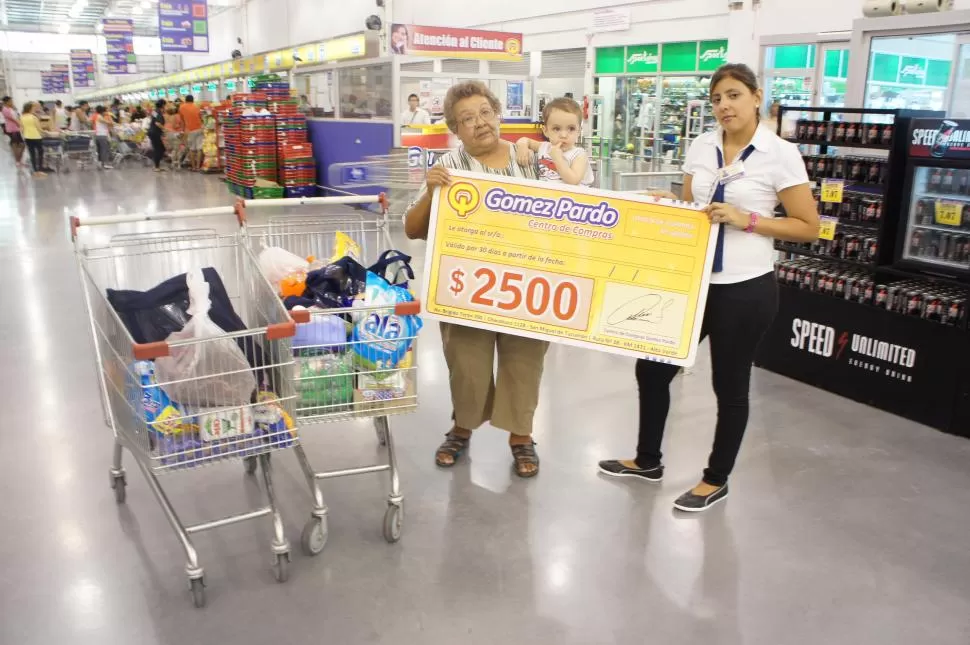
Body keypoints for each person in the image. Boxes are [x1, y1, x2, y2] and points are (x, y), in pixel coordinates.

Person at [598, 63, 820, 512]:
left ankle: (715, 479)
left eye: (734, 95)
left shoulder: (779, 154)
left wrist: (747, 219)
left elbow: (808, 227)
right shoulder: (702, 145)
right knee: (653, 369)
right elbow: (691, 207)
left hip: (745, 288)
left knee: (729, 385)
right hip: (693, 281)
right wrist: (670, 205)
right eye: (717, 98)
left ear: (756, 97)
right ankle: (647, 460)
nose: (724, 106)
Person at [404, 81, 548, 478]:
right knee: (467, 363)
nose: (480, 123)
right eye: (467, 119)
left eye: (485, 112)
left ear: (497, 114)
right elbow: (412, 229)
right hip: (467, 286)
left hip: (526, 283)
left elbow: (575, 201)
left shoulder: (529, 159)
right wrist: (431, 193)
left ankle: (522, 437)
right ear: (455, 129)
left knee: (524, 362)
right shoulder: (447, 169)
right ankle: (462, 428)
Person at [514, 97, 593, 186]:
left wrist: (558, 159)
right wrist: (522, 147)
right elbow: (525, 140)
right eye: (556, 129)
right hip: (548, 193)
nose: (563, 135)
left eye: (571, 128)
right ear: (546, 131)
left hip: (572, 194)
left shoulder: (579, 154)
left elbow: (574, 181)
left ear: (578, 131)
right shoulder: (544, 147)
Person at [21, 102, 46, 178]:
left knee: (32, 154)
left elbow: (22, 129)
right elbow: (39, 129)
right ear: (30, 108)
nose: (35, 108)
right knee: (40, 153)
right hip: (36, 137)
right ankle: (40, 171)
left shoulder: (22, 117)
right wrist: (46, 133)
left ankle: (35, 171)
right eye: (33, 107)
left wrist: (24, 136)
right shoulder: (33, 117)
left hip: (27, 137)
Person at [179, 95, 204, 171]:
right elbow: (201, 118)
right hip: (199, 129)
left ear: (186, 100)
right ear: (193, 100)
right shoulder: (197, 107)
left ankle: (193, 167)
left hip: (190, 130)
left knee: (192, 149)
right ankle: (198, 167)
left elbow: (182, 121)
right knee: (199, 148)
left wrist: (182, 131)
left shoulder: (182, 107)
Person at [2, 96, 25, 167]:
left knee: (22, 144)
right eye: (10, 101)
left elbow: (17, 116)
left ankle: (19, 160)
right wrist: (19, 124)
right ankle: (17, 161)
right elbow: (12, 119)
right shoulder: (5, 109)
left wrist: (15, 109)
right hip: (11, 129)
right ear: (6, 102)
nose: (12, 102)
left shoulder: (11, 108)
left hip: (16, 128)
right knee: (15, 144)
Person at [92, 105, 114, 170]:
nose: (107, 112)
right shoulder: (99, 117)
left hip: (99, 135)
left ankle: (101, 163)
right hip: (102, 135)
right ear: (102, 111)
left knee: (100, 150)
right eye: (106, 111)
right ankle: (105, 164)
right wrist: (109, 118)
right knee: (104, 150)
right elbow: (110, 123)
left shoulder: (99, 116)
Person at [148, 99, 167, 173]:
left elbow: (153, 120)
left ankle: (157, 166)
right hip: (155, 133)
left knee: (159, 149)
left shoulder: (154, 111)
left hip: (152, 132)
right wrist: (164, 129)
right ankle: (156, 167)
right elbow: (157, 123)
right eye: (165, 105)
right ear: (163, 105)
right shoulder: (158, 112)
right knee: (160, 149)